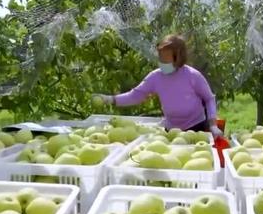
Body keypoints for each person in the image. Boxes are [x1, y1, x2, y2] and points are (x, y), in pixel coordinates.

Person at [94, 34, 223, 137]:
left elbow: (209, 98)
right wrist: (110, 99)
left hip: (197, 127)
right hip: (170, 130)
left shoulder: (193, 75)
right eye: (160, 58)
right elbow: (136, 95)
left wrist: (213, 125)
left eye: (166, 59)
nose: (162, 63)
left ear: (178, 59)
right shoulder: (156, 77)